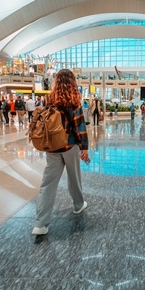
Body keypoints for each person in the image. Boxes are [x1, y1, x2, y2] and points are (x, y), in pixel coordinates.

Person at [32, 69, 89, 235]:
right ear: (72, 82)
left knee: (48, 183)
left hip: (53, 146)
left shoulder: (51, 99)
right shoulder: (74, 100)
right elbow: (80, 126)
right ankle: (78, 206)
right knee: (74, 178)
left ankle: (40, 224)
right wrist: (84, 147)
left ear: (57, 82)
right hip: (70, 146)